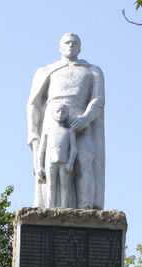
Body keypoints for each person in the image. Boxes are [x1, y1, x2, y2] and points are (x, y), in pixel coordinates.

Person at [27, 33, 105, 209]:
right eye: (67, 43)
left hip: (81, 118)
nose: (71, 45)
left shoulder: (92, 71)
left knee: (84, 161)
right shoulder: (47, 70)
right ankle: (50, 209)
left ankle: (86, 210)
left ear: (80, 47)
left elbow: (98, 100)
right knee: (51, 166)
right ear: (60, 47)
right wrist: (32, 132)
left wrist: (86, 118)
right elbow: (34, 104)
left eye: (75, 43)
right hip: (52, 120)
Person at [34, 103, 77, 208]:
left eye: (63, 112)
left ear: (67, 114)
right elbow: (42, 150)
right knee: (51, 185)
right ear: (53, 114)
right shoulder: (48, 132)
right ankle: (50, 207)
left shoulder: (69, 132)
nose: (60, 114)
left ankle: (64, 207)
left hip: (63, 161)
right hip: (50, 161)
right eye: (58, 111)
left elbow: (73, 149)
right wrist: (40, 166)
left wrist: (71, 162)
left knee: (65, 185)